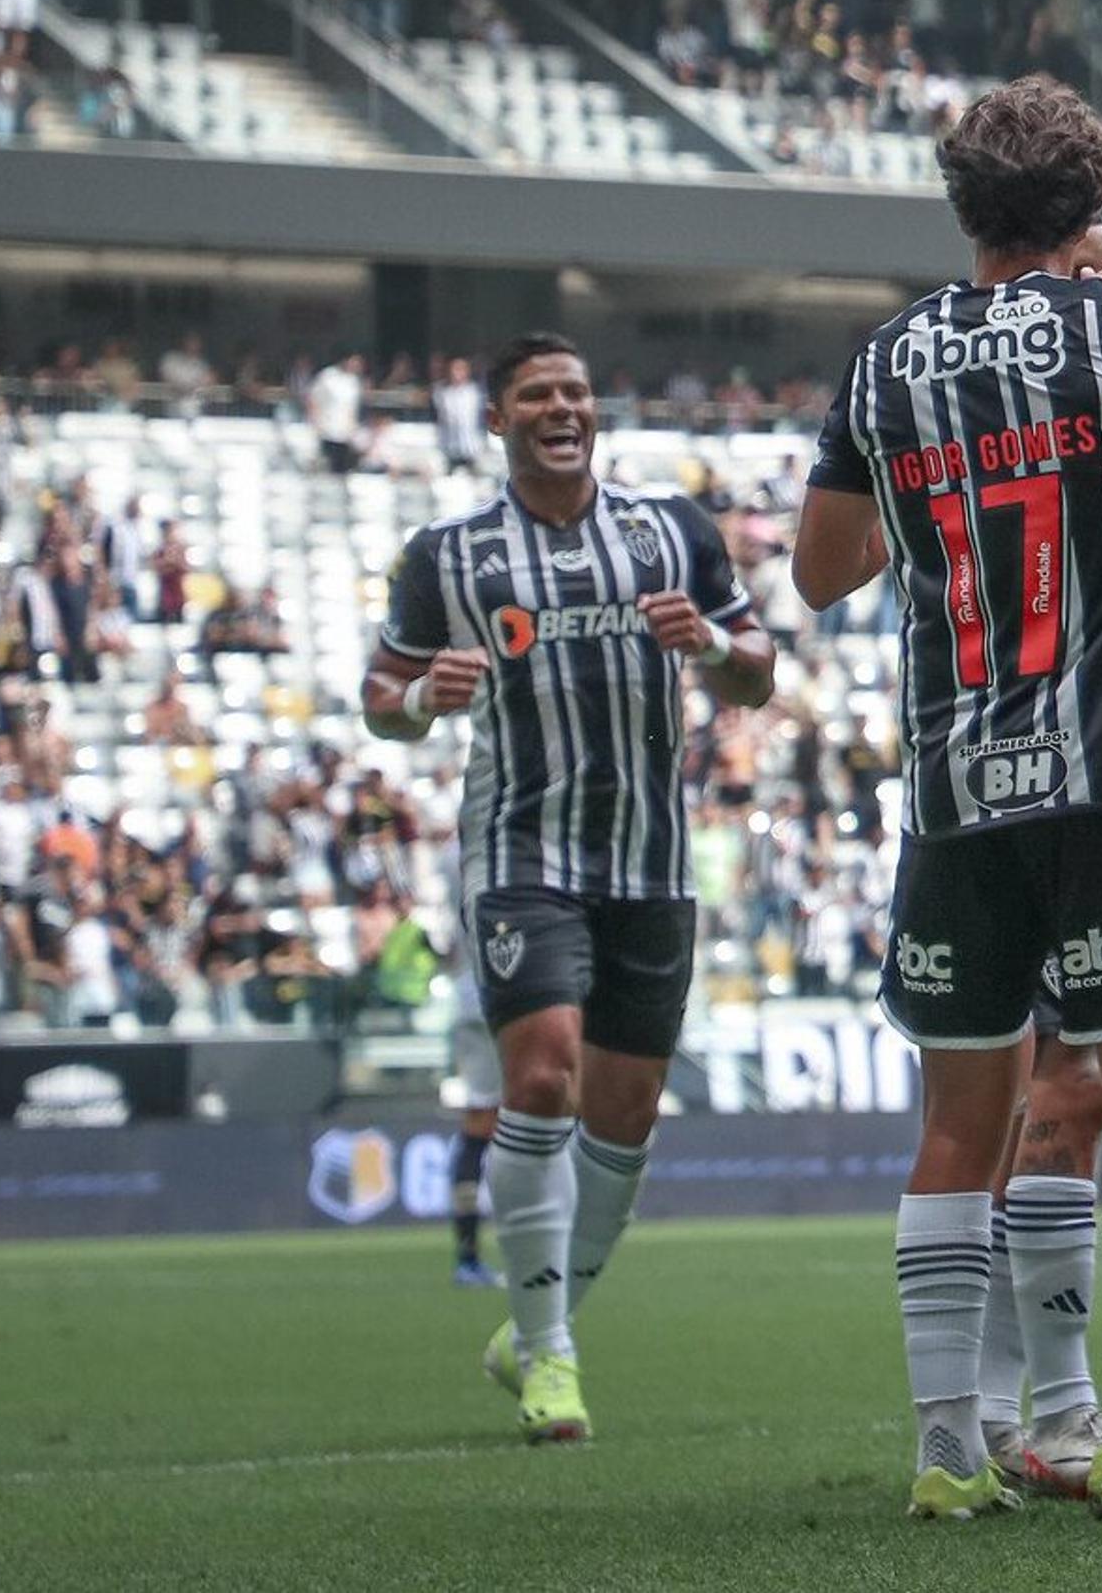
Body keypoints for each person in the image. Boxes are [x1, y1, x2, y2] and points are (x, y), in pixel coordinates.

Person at [793, 77, 1102, 1520]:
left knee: (962, 1120)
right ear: (1088, 198)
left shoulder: (885, 360)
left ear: (964, 206)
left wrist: (946, 521)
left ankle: (949, 1451)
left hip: (951, 786)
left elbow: (821, 574)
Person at [364, 331, 775, 1445]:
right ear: (496, 419)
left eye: (578, 392)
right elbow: (380, 692)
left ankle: (534, 1326)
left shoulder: (670, 531)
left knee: (626, 1117)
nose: (563, 407)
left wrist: (712, 651)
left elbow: (757, 670)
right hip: (521, 856)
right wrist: (417, 703)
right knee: (540, 1077)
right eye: (538, 394)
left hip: (649, 860)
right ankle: (552, 1357)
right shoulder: (446, 556)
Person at [444, 960, 504, 1289]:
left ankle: (469, 1256)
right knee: (486, 1121)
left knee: (483, 1121)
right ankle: (470, 1257)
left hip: (478, 992)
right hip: (505, 991)